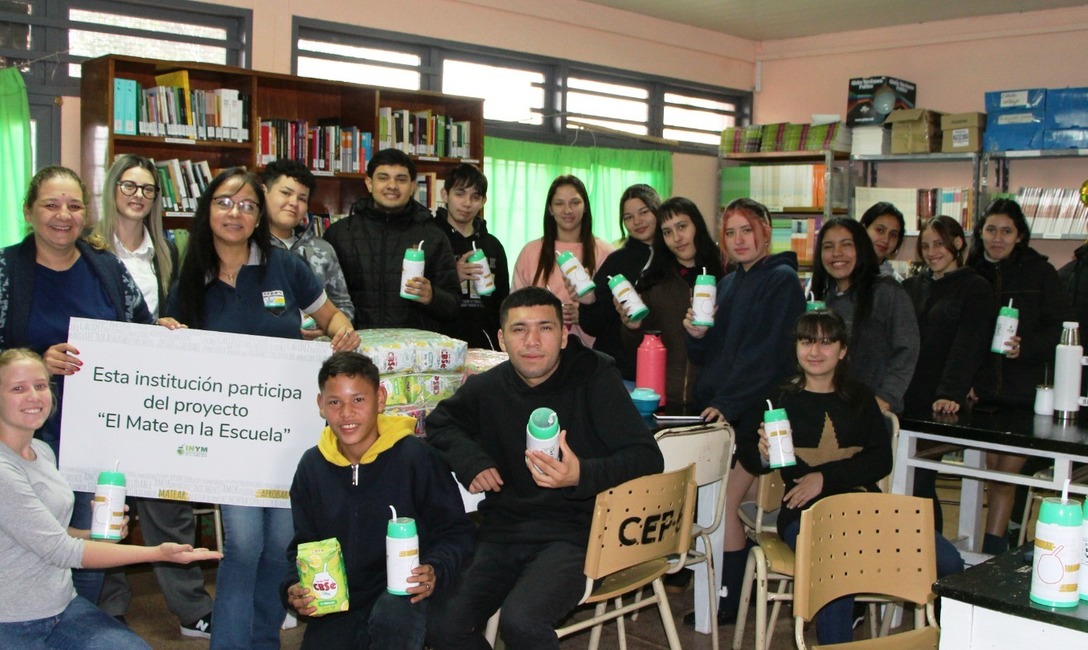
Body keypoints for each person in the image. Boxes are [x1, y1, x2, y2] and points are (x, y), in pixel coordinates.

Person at [165, 167, 360, 650]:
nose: (236, 213)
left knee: (279, 547)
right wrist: (167, 335)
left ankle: (263, 641)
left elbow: (331, 315)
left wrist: (341, 331)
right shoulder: (192, 274)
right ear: (207, 209)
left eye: (248, 205)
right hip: (229, 439)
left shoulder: (285, 266)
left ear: (259, 216)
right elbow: (168, 342)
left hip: (288, 433)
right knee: (245, 545)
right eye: (225, 202)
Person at [425, 287, 664, 649]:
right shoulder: (488, 387)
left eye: (545, 328)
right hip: (502, 531)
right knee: (443, 626)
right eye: (519, 330)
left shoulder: (596, 379)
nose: (532, 341)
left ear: (565, 336)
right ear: (502, 340)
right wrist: (472, 460)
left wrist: (581, 474)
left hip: (576, 534)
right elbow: (441, 422)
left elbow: (647, 457)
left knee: (522, 621)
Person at [745, 312, 962, 645]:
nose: (815, 351)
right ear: (796, 348)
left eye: (826, 342)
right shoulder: (778, 399)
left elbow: (880, 460)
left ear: (842, 350)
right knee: (839, 563)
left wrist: (823, 477)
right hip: (805, 514)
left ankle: (956, 639)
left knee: (949, 562)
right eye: (807, 341)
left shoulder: (860, 397)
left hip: (866, 507)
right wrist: (762, 453)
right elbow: (752, 458)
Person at [0, 165, 157, 605]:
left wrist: (165, 334)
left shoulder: (105, 267)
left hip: (98, 433)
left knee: (97, 536)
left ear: (86, 213)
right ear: (28, 211)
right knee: (36, 543)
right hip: (28, 440)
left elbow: (140, 326)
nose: (63, 215)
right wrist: (37, 362)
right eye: (50, 205)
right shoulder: (6, 269)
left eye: (73, 205)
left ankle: (92, 623)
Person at [0, 348, 221, 648]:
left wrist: (95, 534)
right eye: (18, 388)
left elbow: (52, 532)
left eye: (40, 386)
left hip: (62, 608)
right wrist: (159, 553)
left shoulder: (43, 452)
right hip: (13, 621)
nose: (34, 397)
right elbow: (61, 550)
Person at [90, 154, 214, 637]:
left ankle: (190, 609)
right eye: (129, 185)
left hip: (159, 396)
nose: (138, 195)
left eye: (147, 189)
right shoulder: (88, 249)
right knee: (108, 501)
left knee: (169, 504)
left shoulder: (169, 250)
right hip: (106, 394)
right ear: (112, 189)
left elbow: (183, 310)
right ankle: (109, 605)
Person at [281, 351, 474, 649]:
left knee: (393, 617)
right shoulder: (311, 468)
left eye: (359, 399)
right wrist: (294, 586)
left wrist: (436, 568)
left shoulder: (417, 458)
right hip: (341, 601)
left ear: (380, 399)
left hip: (406, 594)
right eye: (335, 402)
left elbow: (457, 532)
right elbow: (303, 545)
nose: (346, 413)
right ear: (321, 406)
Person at [682, 197, 805, 625]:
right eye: (730, 232)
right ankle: (742, 573)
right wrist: (696, 333)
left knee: (724, 503)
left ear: (765, 231)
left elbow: (767, 357)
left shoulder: (783, 281)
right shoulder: (729, 282)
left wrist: (727, 403)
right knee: (720, 502)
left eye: (746, 230)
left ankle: (727, 599)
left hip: (758, 412)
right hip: (724, 409)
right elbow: (709, 351)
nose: (738, 240)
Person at [967, 198, 1068, 554]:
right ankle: (994, 545)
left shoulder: (1041, 273)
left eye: (1006, 231)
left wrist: (1026, 347)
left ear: (1020, 236)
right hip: (981, 392)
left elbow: (1061, 330)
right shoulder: (972, 270)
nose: (998, 238)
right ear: (980, 233)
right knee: (992, 473)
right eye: (991, 229)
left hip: (1023, 391)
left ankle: (991, 554)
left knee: (1004, 477)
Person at [903, 215, 994, 530]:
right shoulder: (912, 286)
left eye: (939, 244)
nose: (931, 252)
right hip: (905, 397)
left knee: (920, 480)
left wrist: (949, 393)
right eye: (925, 245)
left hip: (941, 402)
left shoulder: (976, 287)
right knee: (903, 481)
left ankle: (930, 556)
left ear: (957, 243)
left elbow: (969, 345)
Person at [323, 148, 459, 331]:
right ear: (369, 183)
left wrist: (432, 296)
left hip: (412, 349)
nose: (392, 185)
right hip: (355, 347)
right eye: (383, 177)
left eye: (401, 179)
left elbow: (453, 306)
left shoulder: (433, 236)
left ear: (412, 186)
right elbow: (322, 299)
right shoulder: (340, 234)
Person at [622, 196, 725, 406]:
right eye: (667, 232)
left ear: (697, 225)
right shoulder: (652, 282)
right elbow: (635, 350)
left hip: (715, 402)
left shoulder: (726, 277)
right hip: (662, 400)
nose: (677, 238)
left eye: (682, 226)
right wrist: (632, 328)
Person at [810, 216, 919, 414]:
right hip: (830, 412)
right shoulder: (823, 301)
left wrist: (887, 396)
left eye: (846, 245)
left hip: (872, 413)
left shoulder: (886, 292)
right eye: (828, 246)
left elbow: (907, 348)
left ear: (861, 248)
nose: (836, 253)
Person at [511, 175, 614, 346]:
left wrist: (585, 315)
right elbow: (516, 309)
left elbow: (613, 313)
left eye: (575, 202)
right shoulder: (530, 252)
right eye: (559, 203)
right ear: (550, 209)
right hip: (538, 350)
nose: (568, 210)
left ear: (585, 207)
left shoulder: (605, 252)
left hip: (592, 355)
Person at [575, 184, 661, 382]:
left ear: (658, 210)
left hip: (663, 368)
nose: (637, 222)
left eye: (644, 212)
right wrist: (588, 303)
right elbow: (593, 325)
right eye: (628, 217)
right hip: (619, 371)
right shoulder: (617, 261)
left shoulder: (675, 258)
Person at [263, 158, 356, 337]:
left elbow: (343, 304)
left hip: (317, 350)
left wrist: (327, 329)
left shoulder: (322, 250)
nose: (293, 202)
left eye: (302, 198)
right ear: (263, 192)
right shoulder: (248, 248)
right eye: (285, 193)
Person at [428, 163, 509, 349]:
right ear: (444, 194)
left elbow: (503, 302)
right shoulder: (430, 240)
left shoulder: (493, 246)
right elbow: (418, 295)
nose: (467, 203)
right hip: (438, 343)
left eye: (475, 196)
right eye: (460, 194)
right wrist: (452, 277)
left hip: (486, 343)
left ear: (483, 201)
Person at [859, 201, 907, 280]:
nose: (886, 240)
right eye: (880, 230)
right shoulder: (844, 270)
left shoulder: (896, 283)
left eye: (893, 235)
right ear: (864, 229)